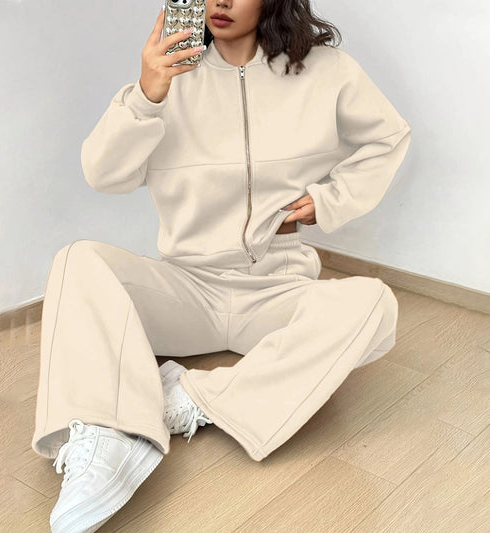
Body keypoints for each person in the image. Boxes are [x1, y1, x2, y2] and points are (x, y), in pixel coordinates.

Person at [31, 1, 412, 531]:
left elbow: (388, 137)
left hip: (278, 290)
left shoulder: (326, 71)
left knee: (373, 304)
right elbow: (103, 174)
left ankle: (191, 398)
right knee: (78, 259)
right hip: (187, 287)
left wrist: (330, 200)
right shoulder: (170, 78)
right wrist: (146, 95)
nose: (222, 2)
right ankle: (106, 437)